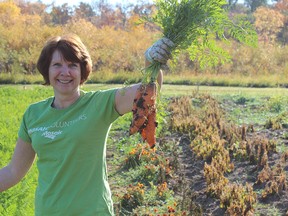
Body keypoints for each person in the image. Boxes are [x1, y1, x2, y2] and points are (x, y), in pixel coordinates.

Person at [0, 34, 174, 215]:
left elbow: (148, 92)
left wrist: (151, 62)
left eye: (72, 65)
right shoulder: (33, 114)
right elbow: (13, 171)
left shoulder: (99, 104)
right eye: (57, 65)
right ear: (47, 70)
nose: (65, 72)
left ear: (82, 70)